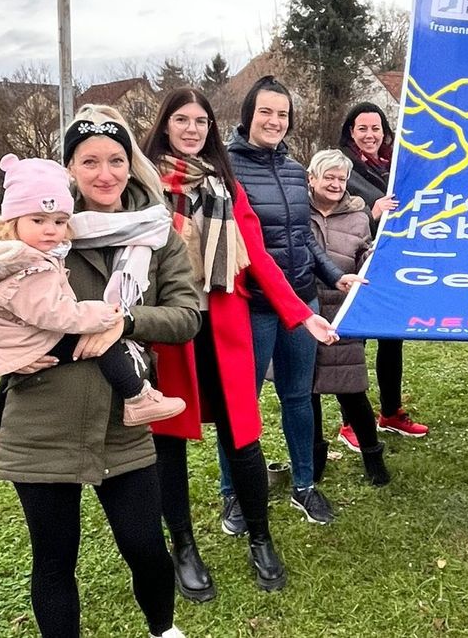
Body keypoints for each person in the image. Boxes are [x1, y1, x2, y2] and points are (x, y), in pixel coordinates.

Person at [0, 105, 199, 638]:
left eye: (116, 160)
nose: (105, 173)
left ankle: (163, 629)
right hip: (41, 419)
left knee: (144, 546)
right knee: (54, 559)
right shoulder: (27, 237)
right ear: (69, 168)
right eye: (89, 161)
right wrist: (11, 355)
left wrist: (125, 320)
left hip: (123, 419)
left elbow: (187, 315)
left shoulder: (159, 236)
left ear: (132, 165)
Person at [142, 88, 338, 599]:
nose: (192, 129)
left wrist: (300, 314)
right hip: (167, 330)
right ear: (164, 125)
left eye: (201, 121)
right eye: (181, 120)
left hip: (223, 324)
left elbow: (256, 253)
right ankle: (183, 547)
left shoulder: (224, 184)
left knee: (243, 435)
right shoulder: (143, 185)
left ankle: (260, 538)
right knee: (169, 443)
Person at [227, 76, 365, 525]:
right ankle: (234, 492)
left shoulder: (292, 170)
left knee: (298, 398)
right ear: (249, 114)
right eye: (266, 111)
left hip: (302, 304)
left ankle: (305, 485)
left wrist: (333, 275)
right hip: (253, 308)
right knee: (242, 401)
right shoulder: (226, 168)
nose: (275, 120)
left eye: (283, 113)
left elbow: (304, 236)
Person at [0, 154, 185, 427]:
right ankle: (137, 397)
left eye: (59, 222)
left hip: (23, 339)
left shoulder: (28, 254)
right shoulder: (29, 264)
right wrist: (102, 314)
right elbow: (54, 313)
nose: (50, 230)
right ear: (14, 221)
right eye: (38, 221)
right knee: (101, 341)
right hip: (29, 341)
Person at [337, 102, 427, 450]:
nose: (370, 135)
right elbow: (332, 207)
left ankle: (391, 412)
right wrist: (372, 213)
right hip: (354, 266)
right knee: (353, 344)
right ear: (351, 132)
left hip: (390, 265)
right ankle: (351, 421)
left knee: (392, 338)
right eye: (362, 129)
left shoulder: (396, 165)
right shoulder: (343, 165)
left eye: (376, 129)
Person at [308, 149, 390, 486]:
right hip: (304, 312)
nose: (335, 184)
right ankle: (314, 457)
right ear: (312, 179)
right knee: (305, 392)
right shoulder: (296, 212)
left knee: (352, 389)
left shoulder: (358, 217)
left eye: (341, 178)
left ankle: (372, 455)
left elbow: (367, 256)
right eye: (328, 176)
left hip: (342, 314)